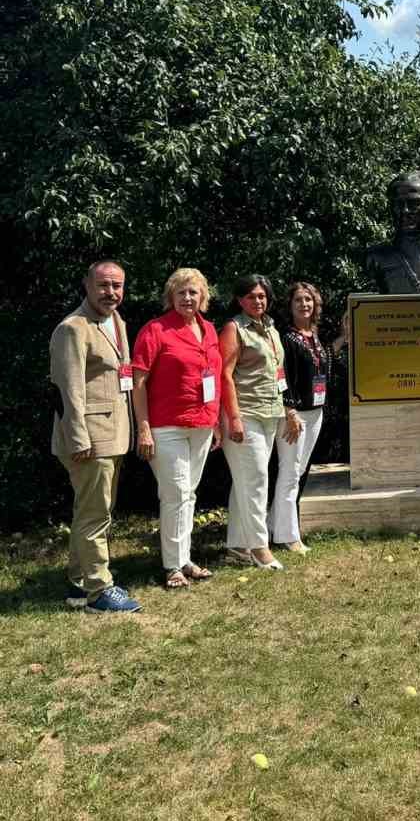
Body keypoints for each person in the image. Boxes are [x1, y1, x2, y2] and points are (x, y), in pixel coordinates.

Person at [49, 260, 141, 614]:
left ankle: (78, 580)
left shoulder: (116, 322)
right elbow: (67, 390)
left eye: (117, 285)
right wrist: (79, 440)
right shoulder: (73, 328)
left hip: (113, 433)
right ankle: (99, 591)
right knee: (95, 515)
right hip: (89, 441)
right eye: (103, 285)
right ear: (87, 285)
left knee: (91, 511)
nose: (111, 293)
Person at [132, 268, 223, 589]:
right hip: (165, 425)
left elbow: (214, 376)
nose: (188, 298)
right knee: (175, 494)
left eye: (193, 292)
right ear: (171, 296)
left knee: (189, 494)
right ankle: (172, 565)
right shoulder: (155, 330)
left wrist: (215, 422)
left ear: (203, 297)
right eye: (181, 292)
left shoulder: (209, 330)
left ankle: (184, 559)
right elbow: (138, 383)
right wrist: (143, 427)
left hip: (201, 424)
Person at [219, 274, 294, 570]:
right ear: (240, 300)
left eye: (262, 296)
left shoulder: (271, 328)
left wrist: (287, 409)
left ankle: (237, 546)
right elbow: (224, 374)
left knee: (246, 483)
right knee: (256, 482)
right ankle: (260, 548)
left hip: (271, 412)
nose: (258, 301)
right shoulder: (233, 328)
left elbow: (278, 372)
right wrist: (234, 418)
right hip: (245, 414)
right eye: (251, 296)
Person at [269, 281, 347, 552]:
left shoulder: (313, 335)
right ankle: (289, 536)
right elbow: (281, 377)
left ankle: (274, 525)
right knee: (290, 473)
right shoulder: (286, 338)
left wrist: (343, 338)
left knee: (298, 472)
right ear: (290, 306)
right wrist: (289, 411)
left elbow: (325, 358)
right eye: (298, 300)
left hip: (316, 412)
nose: (304, 304)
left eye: (308, 300)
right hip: (295, 414)